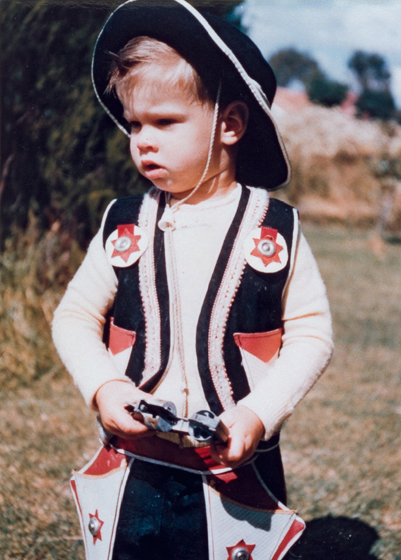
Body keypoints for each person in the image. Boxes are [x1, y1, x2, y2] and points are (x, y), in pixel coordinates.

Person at [52, 2, 333, 559]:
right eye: (134, 124)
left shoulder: (273, 231)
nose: (142, 141)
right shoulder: (123, 225)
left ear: (229, 125)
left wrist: (258, 412)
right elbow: (74, 317)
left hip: (238, 465)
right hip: (137, 463)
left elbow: (312, 334)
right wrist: (104, 386)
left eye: (165, 122)